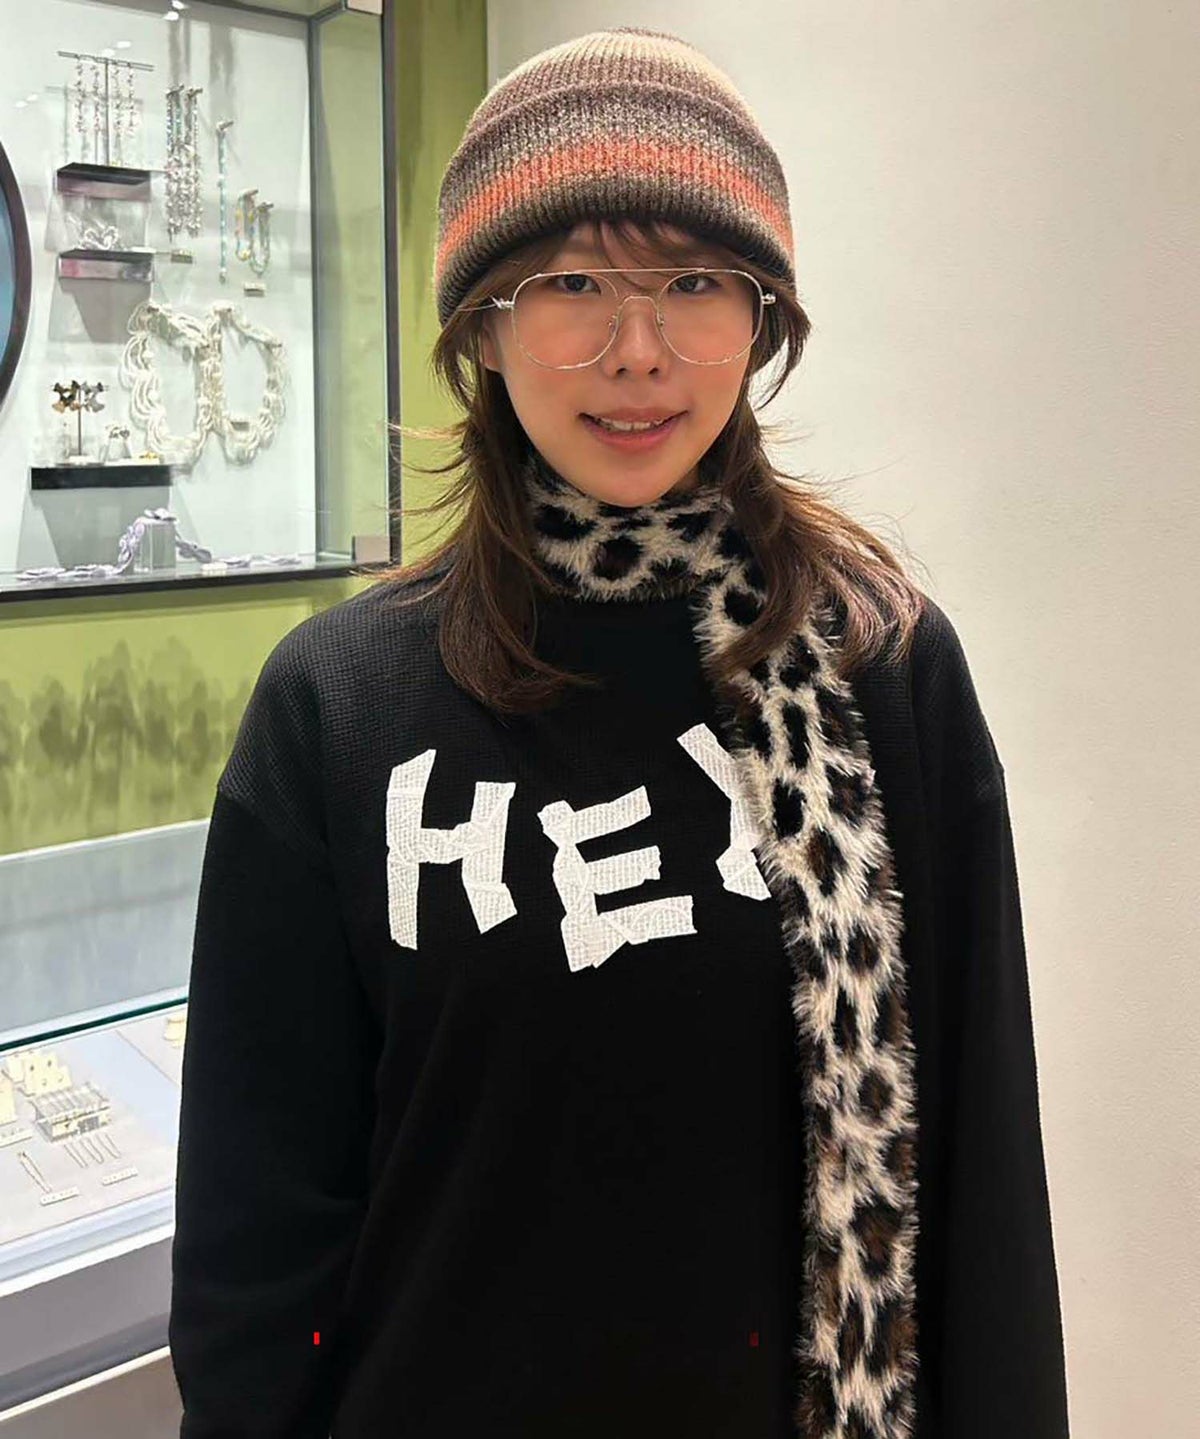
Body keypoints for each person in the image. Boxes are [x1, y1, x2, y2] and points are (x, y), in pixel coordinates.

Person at [169, 26, 1070, 1439]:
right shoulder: (336, 705)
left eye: (695, 283)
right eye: (572, 283)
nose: (637, 352)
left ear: (761, 322)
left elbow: (984, 1183)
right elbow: (257, 1239)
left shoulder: (885, 670)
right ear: (482, 326)